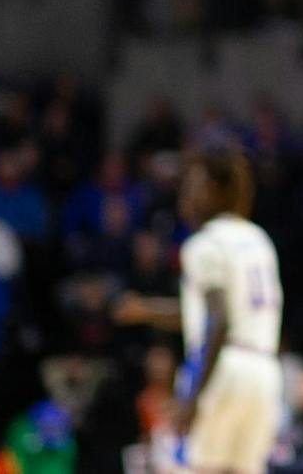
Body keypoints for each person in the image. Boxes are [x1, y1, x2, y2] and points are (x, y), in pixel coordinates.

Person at [116, 150, 284, 473]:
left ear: (212, 189)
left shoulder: (203, 244)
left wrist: (193, 398)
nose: (184, 196)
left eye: (190, 186)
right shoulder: (259, 239)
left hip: (224, 367)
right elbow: (208, 313)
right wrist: (148, 310)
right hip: (264, 369)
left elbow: (217, 319)